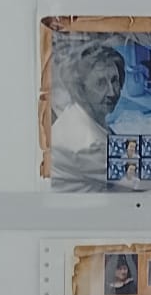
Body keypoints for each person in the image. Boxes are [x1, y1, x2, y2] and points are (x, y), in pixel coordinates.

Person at [49, 41, 126, 191]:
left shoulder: (76, 111)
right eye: (101, 83)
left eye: (114, 80)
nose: (112, 92)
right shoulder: (89, 144)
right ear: (81, 89)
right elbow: (137, 182)